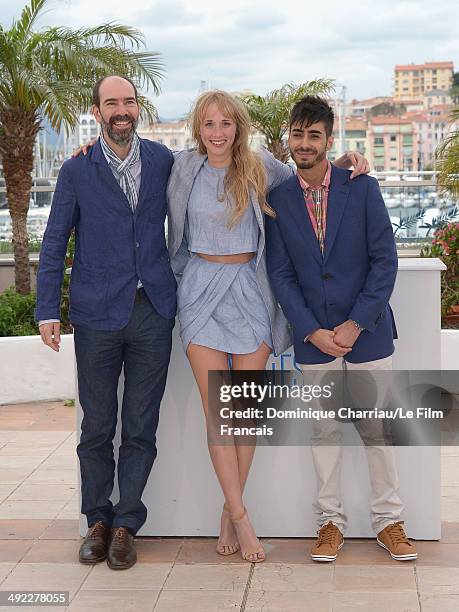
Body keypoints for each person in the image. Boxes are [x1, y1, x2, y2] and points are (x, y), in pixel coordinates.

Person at [167, 90, 370, 563]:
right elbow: (135, 164)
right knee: (219, 413)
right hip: (199, 292)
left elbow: (310, 172)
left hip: (251, 294)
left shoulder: (261, 165)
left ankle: (227, 508)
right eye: (208, 124)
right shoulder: (180, 169)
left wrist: (347, 160)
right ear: (198, 129)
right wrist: (89, 147)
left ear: (238, 127)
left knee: (244, 414)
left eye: (225, 124)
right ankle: (242, 517)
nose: (217, 133)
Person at [265, 95, 418, 562]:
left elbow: (384, 262)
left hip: (366, 334)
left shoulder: (362, 186)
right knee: (324, 432)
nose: (305, 143)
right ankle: (328, 524)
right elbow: (281, 274)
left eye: (314, 135)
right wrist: (311, 332)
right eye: (298, 133)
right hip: (314, 342)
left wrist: (355, 323)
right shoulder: (277, 199)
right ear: (289, 137)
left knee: (377, 431)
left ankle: (389, 523)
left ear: (330, 140)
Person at [35, 75, 176, 570]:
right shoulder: (77, 171)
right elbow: (55, 242)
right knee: (97, 427)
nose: (122, 109)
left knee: (141, 426)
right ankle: (96, 519)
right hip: (96, 315)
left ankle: (125, 524)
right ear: (97, 111)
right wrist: (48, 309)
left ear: (139, 108)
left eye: (129, 101)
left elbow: (221, 169)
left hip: (152, 312)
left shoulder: (162, 161)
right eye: (111, 102)